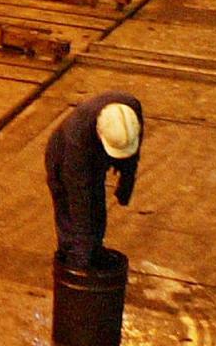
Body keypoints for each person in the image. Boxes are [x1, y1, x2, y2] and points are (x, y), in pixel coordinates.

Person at [43, 92, 143, 272]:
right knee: (73, 217)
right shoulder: (77, 140)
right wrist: (83, 263)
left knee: (97, 207)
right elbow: (80, 200)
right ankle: (73, 258)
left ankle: (92, 250)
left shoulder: (131, 110)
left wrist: (127, 181)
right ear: (99, 132)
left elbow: (133, 149)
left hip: (93, 152)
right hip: (62, 155)